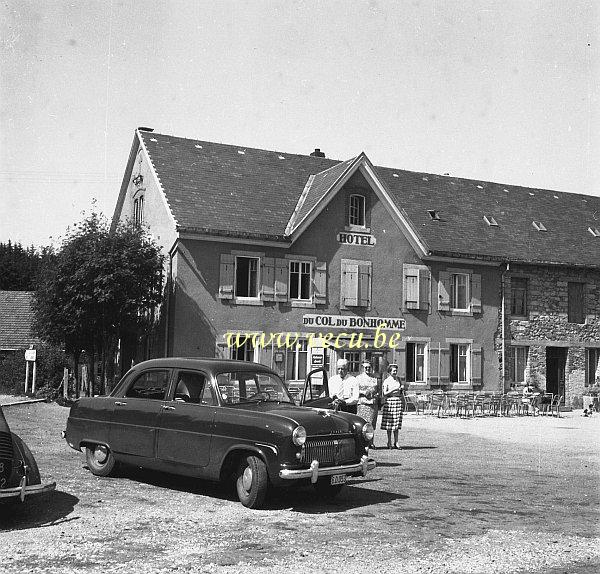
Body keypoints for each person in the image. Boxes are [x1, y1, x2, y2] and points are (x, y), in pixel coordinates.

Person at [380, 363, 405, 449]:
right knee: (389, 423)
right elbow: (385, 393)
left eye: (396, 371)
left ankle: (396, 442)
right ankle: (389, 442)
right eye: (394, 371)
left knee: (396, 423)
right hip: (389, 402)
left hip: (397, 401)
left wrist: (401, 389)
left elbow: (401, 392)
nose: (395, 372)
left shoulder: (398, 379)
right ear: (389, 372)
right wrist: (393, 389)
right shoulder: (386, 381)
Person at [355, 360, 379, 444]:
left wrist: (376, 394)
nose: (367, 369)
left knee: (371, 424)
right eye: (366, 367)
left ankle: (371, 443)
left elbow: (378, 390)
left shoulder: (374, 378)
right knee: (362, 424)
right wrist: (363, 392)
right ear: (362, 368)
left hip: (372, 404)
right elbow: (354, 391)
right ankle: (361, 442)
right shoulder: (358, 378)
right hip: (363, 404)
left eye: (369, 367)